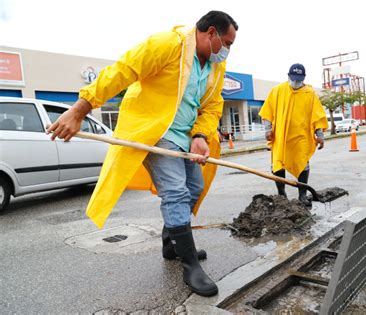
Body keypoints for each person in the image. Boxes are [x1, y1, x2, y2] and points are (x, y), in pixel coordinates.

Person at [47, 11, 238, 297]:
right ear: (210, 32)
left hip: (186, 137)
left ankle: (171, 243)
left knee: (195, 187)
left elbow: (212, 106)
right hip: (155, 132)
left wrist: (199, 135)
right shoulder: (167, 45)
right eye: (227, 42)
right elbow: (122, 71)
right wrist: (79, 109)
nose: (227, 50)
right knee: (175, 192)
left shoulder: (214, 66)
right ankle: (190, 266)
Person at [259, 64, 328, 207]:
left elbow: (317, 116)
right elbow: (267, 112)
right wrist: (267, 129)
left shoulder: (310, 94)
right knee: (278, 165)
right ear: (288, 76)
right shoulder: (277, 91)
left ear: (303, 79)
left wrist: (319, 134)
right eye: (293, 79)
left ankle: (302, 195)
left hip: (301, 137)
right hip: (280, 137)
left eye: (299, 80)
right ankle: (281, 195)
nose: (296, 82)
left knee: (303, 164)